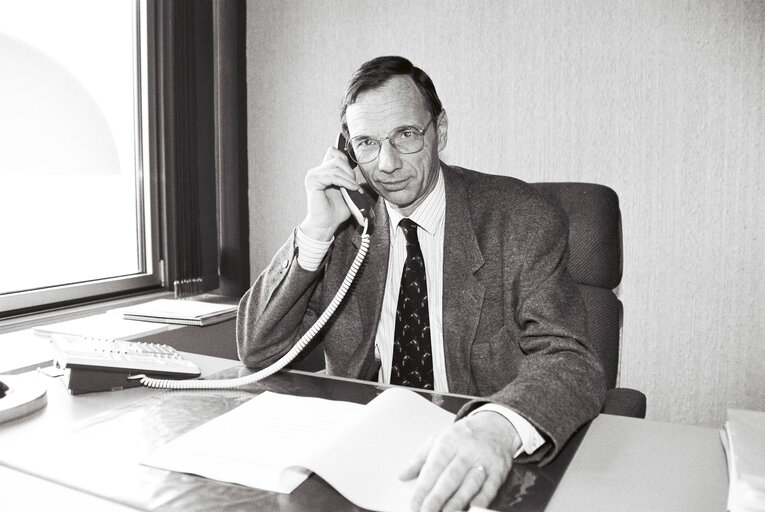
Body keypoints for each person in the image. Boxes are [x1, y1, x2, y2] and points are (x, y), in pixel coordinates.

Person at [237, 56, 605, 511]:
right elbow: (258, 351)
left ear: (440, 131)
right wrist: (314, 232)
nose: (387, 164)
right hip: (364, 456)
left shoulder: (520, 219)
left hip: (476, 448)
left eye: (406, 135)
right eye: (366, 143)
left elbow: (572, 360)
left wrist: (492, 428)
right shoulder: (346, 227)